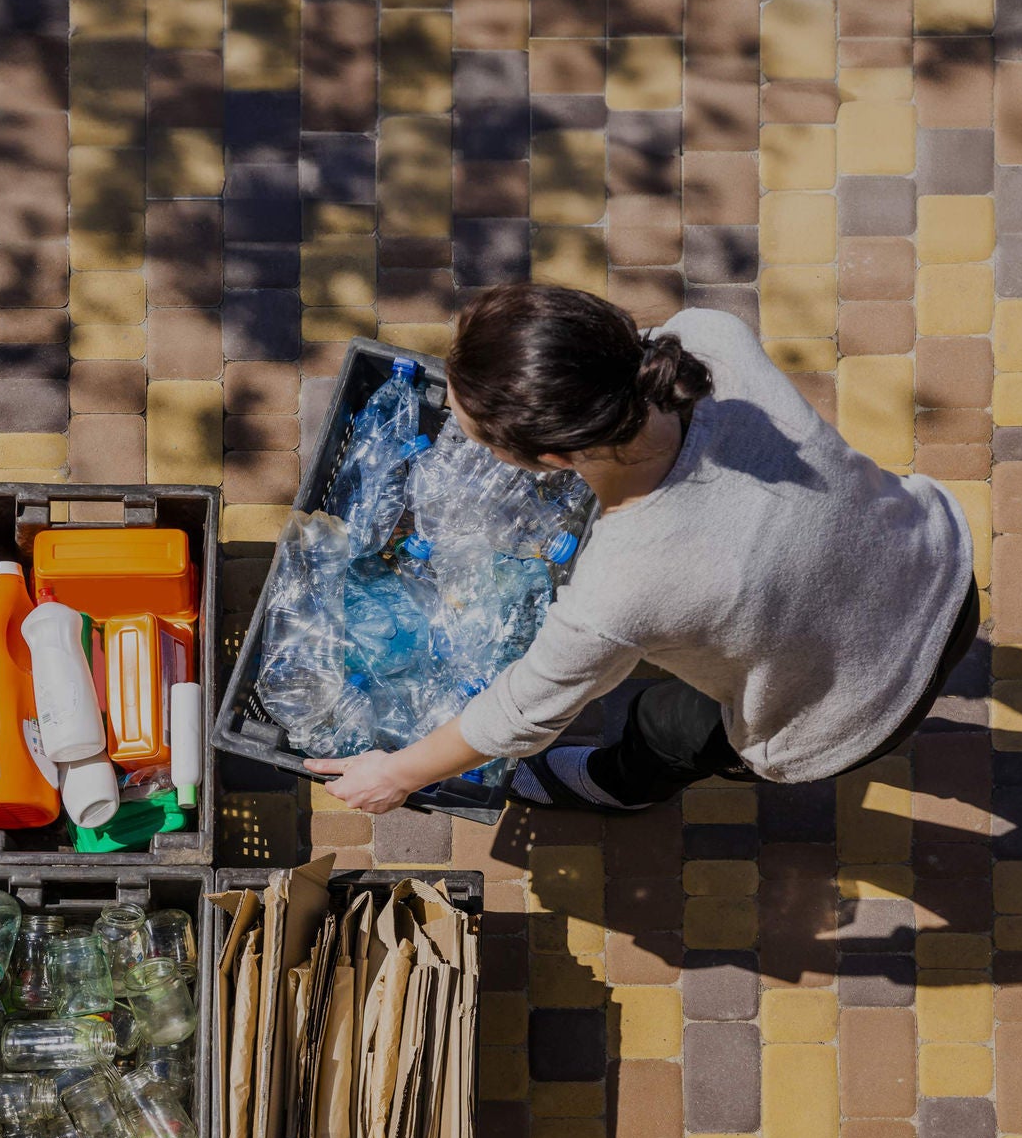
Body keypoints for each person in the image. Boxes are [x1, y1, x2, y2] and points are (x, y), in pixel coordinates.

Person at [305, 284, 978, 815]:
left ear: (551, 456)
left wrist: (393, 773)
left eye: (479, 440)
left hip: (852, 709)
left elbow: (520, 714)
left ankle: (619, 787)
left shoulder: (622, 583)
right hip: (934, 561)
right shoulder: (708, 340)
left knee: (669, 725)